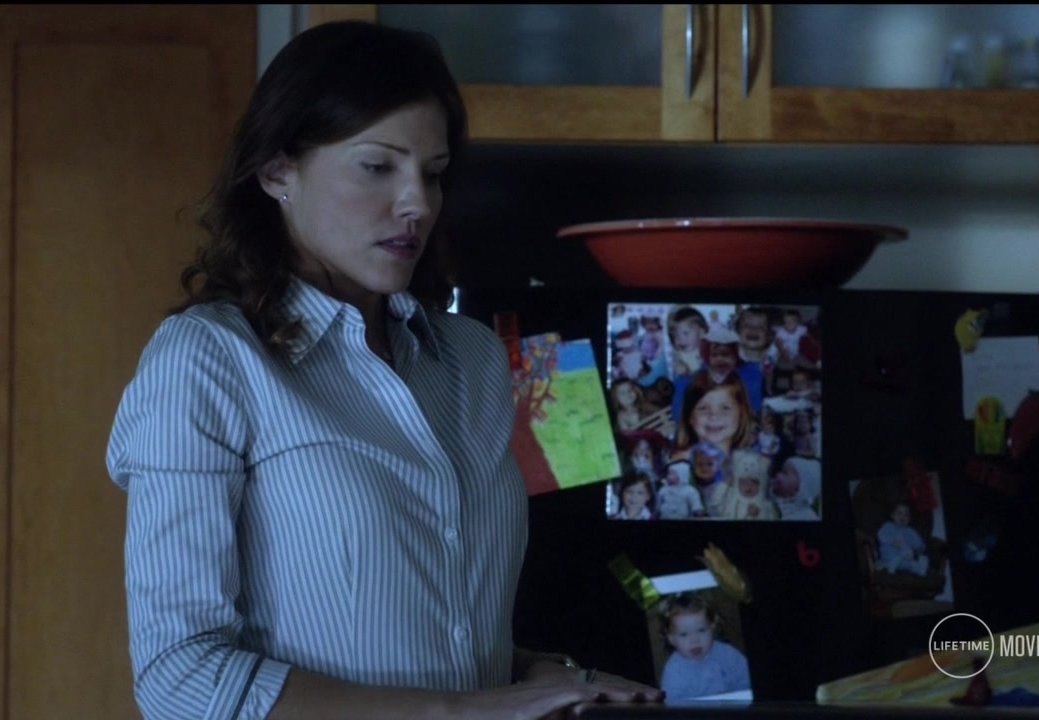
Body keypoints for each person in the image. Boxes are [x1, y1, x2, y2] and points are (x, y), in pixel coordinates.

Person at [105, 20, 660, 720]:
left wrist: (546, 677)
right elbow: (181, 677)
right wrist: (463, 712)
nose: (417, 204)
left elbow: (441, 636)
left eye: (433, 173)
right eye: (378, 167)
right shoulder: (209, 360)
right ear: (277, 170)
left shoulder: (472, 360)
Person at [656, 593, 752, 701]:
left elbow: (747, 680)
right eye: (684, 634)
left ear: (712, 627)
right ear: (671, 638)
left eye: (701, 630)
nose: (695, 640)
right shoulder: (674, 670)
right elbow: (672, 702)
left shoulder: (728, 654)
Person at [671, 373, 754, 463]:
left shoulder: (751, 461)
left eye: (725, 408)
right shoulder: (679, 463)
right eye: (703, 408)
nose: (714, 416)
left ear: (741, 415)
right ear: (690, 417)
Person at [877, 501, 931, 576]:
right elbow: (881, 535)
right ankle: (891, 565)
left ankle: (920, 569)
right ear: (892, 515)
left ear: (909, 519)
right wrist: (892, 541)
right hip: (889, 556)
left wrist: (920, 547)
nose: (903, 516)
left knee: (911, 563)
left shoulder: (910, 531)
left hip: (904, 559)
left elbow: (917, 543)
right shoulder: (888, 526)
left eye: (906, 515)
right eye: (899, 513)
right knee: (893, 558)